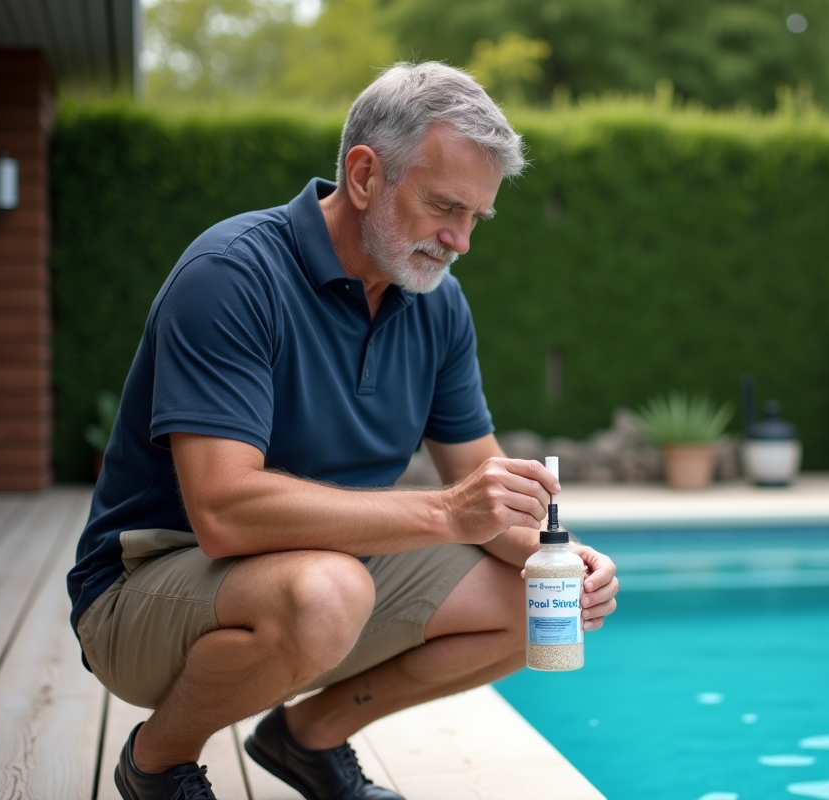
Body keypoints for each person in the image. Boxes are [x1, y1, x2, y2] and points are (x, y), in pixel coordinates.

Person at [66, 62, 620, 800]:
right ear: (364, 176)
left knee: (541, 607)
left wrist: (561, 559)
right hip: (145, 588)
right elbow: (224, 514)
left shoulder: (437, 303)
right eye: (443, 206)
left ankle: (307, 741)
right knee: (329, 592)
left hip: (331, 574)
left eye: (476, 218)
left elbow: (484, 491)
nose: (460, 241)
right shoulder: (233, 275)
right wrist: (444, 512)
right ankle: (158, 765)